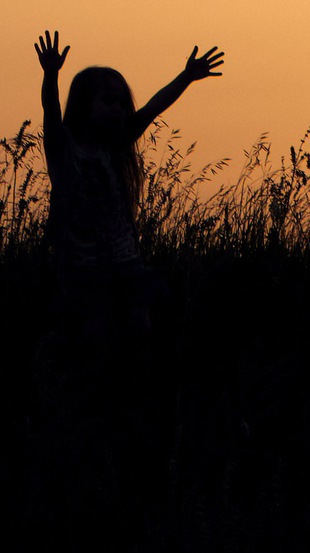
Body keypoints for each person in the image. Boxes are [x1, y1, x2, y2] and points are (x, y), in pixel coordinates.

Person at [33, 30, 224, 338]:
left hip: (124, 259)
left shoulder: (114, 146)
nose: (119, 109)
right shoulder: (64, 149)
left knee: (139, 327)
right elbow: (51, 110)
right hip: (81, 264)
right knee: (94, 332)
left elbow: (152, 108)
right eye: (109, 101)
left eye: (122, 103)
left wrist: (186, 77)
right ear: (84, 105)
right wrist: (51, 74)